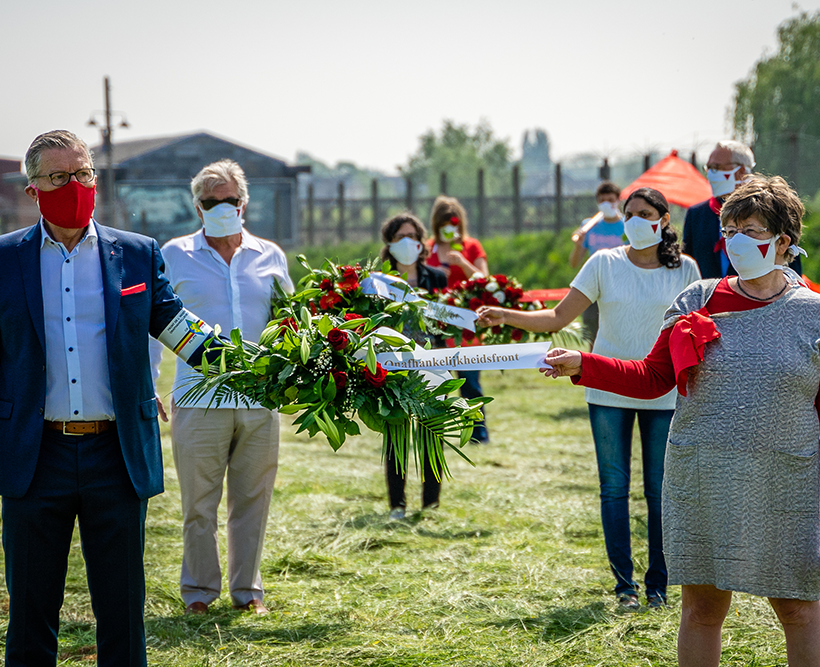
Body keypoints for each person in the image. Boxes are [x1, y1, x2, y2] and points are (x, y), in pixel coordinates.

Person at [544, 175, 819, 667]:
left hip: (788, 483)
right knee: (701, 609)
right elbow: (652, 378)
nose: (736, 241)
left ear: (782, 241)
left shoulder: (814, 314)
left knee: (799, 608)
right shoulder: (697, 298)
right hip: (702, 477)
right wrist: (584, 364)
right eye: (729, 230)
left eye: (750, 230)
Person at [1, 130, 215, 667]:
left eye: (83, 173)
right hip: (33, 455)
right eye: (58, 177)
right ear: (33, 191)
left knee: (122, 611)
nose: (75, 186)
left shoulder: (137, 255)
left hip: (114, 455)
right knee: (29, 612)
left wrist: (258, 367)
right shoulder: (5, 261)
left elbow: (177, 327)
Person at [477, 188, 701, 610]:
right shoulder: (603, 263)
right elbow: (558, 317)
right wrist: (505, 314)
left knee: (660, 491)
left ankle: (658, 586)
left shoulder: (687, 270)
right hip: (607, 388)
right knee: (613, 488)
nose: (635, 220)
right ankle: (625, 588)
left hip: (664, 393)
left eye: (645, 213)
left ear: (665, 220)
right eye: (629, 212)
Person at [150, 160, 293, 616]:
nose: (220, 208)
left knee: (253, 500)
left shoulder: (270, 255)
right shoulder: (174, 254)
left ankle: (247, 591)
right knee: (199, 504)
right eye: (210, 202)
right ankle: (198, 592)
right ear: (197, 207)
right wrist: (146, 384)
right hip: (197, 399)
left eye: (228, 201)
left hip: (258, 400)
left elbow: (290, 324)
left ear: (243, 203)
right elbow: (151, 325)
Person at [379, 213, 447, 520]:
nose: (407, 242)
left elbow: (448, 322)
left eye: (412, 236)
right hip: (393, 369)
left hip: (433, 365)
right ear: (390, 244)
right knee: (396, 439)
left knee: (432, 436)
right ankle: (397, 505)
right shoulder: (377, 281)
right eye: (399, 237)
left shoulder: (437, 278)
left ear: (421, 242)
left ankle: (430, 504)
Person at [683, 140, 801, 279]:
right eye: (708, 168)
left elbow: (790, 262)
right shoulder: (697, 214)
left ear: (741, 171)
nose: (711, 174)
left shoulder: (774, 208)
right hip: (709, 297)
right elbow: (688, 264)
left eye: (717, 167)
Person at [426, 195, 490, 443]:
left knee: (469, 382)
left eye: (452, 223)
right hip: (434, 323)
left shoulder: (472, 246)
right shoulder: (427, 247)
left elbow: (485, 280)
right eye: (443, 224)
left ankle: (477, 432)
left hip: (466, 324)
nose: (448, 228)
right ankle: (435, 430)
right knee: (435, 380)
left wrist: (463, 263)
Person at [569, 181, 625, 343]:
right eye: (602, 201)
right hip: (594, 285)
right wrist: (579, 244)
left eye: (610, 200)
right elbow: (574, 263)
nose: (606, 204)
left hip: (619, 285)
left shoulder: (627, 226)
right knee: (591, 328)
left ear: (618, 201)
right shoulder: (588, 226)